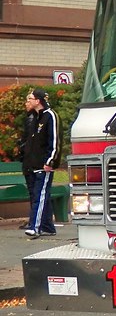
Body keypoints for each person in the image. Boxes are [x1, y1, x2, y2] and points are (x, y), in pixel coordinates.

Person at [22, 88, 61, 238]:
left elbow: (55, 141)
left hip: (44, 165)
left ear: (38, 101)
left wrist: (50, 161)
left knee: (40, 195)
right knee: (39, 195)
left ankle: (35, 226)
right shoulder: (35, 117)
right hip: (33, 164)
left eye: (31, 99)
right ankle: (47, 226)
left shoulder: (50, 116)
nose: (29, 101)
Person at [16, 93, 40, 229]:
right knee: (36, 191)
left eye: (28, 100)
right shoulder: (34, 117)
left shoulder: (32, 118)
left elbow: (30, 140)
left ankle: (35, 220)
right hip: (32, 160)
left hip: (30, 161)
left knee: (34, 191)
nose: (26, 103)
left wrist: (22, 147)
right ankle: (37, 220)